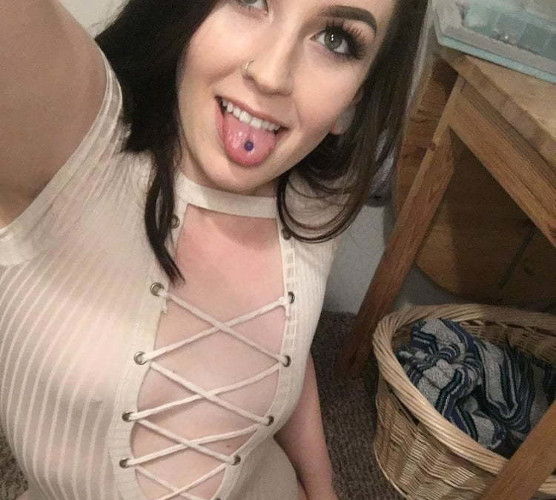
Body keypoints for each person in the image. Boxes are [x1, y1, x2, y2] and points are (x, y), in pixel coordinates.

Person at [0, 0, 427, 499]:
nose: (271, 75)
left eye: (336, 40)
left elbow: (290, 349)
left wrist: (322, 488)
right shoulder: (68, 155)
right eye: (250, 0)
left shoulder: (313, 203)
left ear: (355, 97)